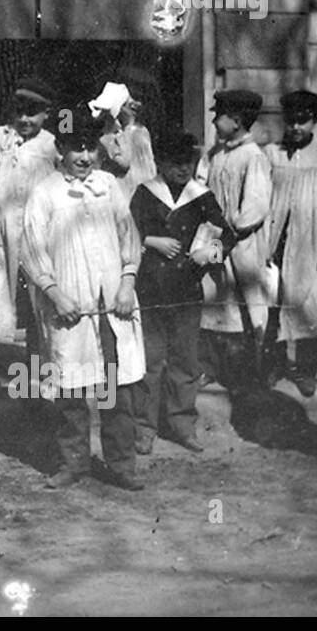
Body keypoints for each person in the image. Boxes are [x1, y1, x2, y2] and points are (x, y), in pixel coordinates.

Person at [21, 109, 147, 491]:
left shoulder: (109, 186)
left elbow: (130, 239)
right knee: (71, 390)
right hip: (69, 308)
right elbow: (32, 251)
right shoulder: (45, 194)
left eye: (90, 148)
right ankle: (72, 462)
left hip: (112, 306)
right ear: (60, 149)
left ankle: (121, 464)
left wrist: (126, 285)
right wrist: (55, 294)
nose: (84, 157)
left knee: (115, 387)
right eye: (75, 148)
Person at [129, 131, 234, 454]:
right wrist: (150, 241)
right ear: (160, 163)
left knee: (185, 361)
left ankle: (181, 424)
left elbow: (226, 236)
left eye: (188, 162)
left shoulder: (200, 196)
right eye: (175, 163)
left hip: (187, 289)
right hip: (151, 288)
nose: (182, 169)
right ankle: (144, 427)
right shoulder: (146, 193)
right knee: (150, 360)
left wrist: (210, 252)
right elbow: (126, 232)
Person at [0, 76, 61, 389]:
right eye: (20, 111)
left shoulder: (51, 144)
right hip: (0, 232)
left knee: (39, 305)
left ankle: (38, 379)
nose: (24, 119)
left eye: (33, 113)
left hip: (39, 236)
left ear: (46, 113)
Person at [262, 90, 317, 396]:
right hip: (277, 241)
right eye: (292, 121)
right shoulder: (271, 153)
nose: (297, 127)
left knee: (311, 306)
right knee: (273, 305)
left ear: (314, 122)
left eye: (303, 122)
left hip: (310, 243)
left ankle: (307, 370)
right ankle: (275, 363)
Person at [196, 89, 272, 391]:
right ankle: (211, 366)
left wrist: (229, 232)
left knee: (242, 305)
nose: (214, 121)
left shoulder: (253, 157)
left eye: (219, 116)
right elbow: (200, 187)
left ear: (237, 120)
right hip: (214, 239)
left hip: (240, 246)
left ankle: (243, 373)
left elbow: (254, 206)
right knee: (213, 301)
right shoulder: (216, 155)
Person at [90, 78, 156, 199]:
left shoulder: (135, 133)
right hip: (133, 190)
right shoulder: (135, 132)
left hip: (136, 189)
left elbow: (125, 161)